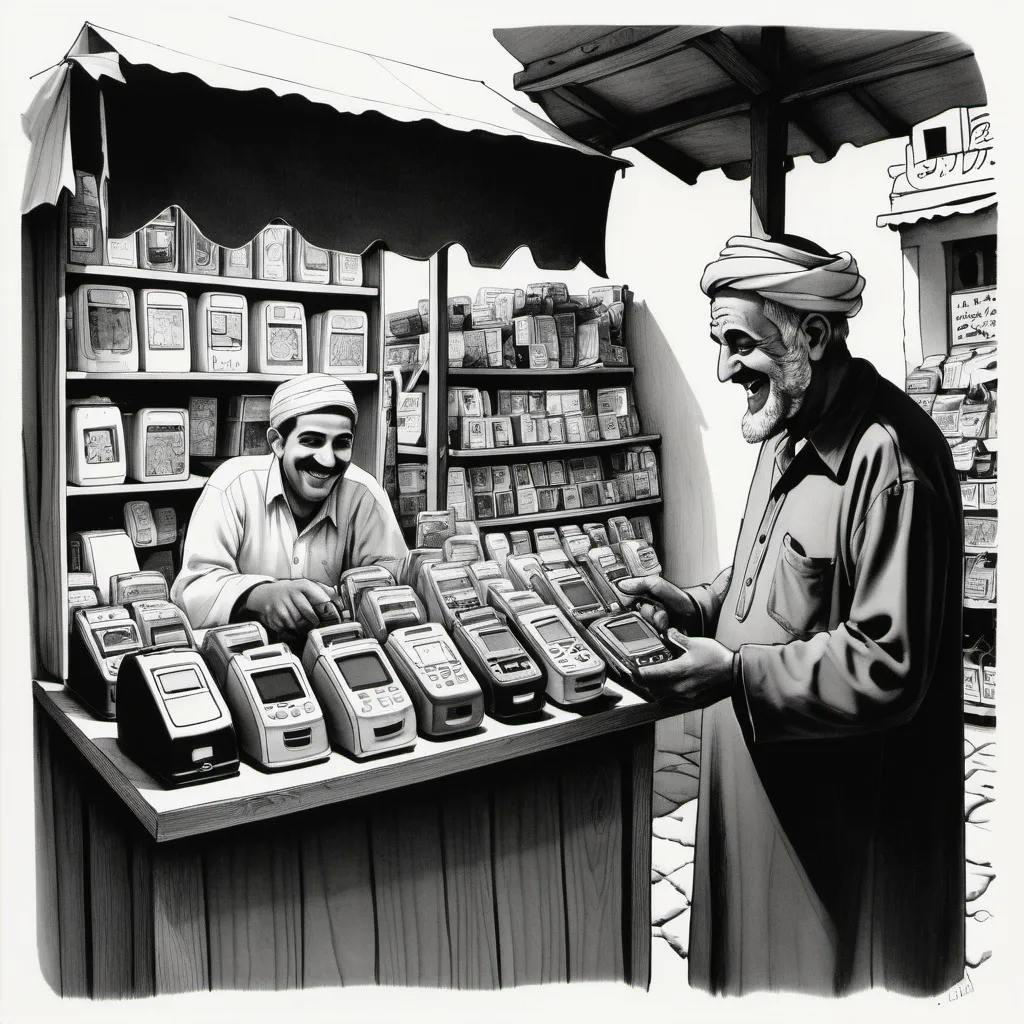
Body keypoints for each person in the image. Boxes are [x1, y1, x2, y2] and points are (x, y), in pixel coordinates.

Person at [620, 235, 965, 996]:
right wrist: (698, 604)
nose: (722, 369)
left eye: (740, 343)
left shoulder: (890, 463)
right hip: (760, 812)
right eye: (717, 345)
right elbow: (769, 580)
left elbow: (885, 666)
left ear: (813, 334)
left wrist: (735, 672)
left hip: (835, 846)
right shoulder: (789, 429)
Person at [172, 374, 408, 635]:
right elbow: (192, 591)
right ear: (278, 442)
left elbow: (394, 586)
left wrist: (344, 600)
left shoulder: (364, 493)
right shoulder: (234, 486)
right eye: (312, 441)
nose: (328, 460)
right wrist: (259, 596)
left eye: (341, 444)